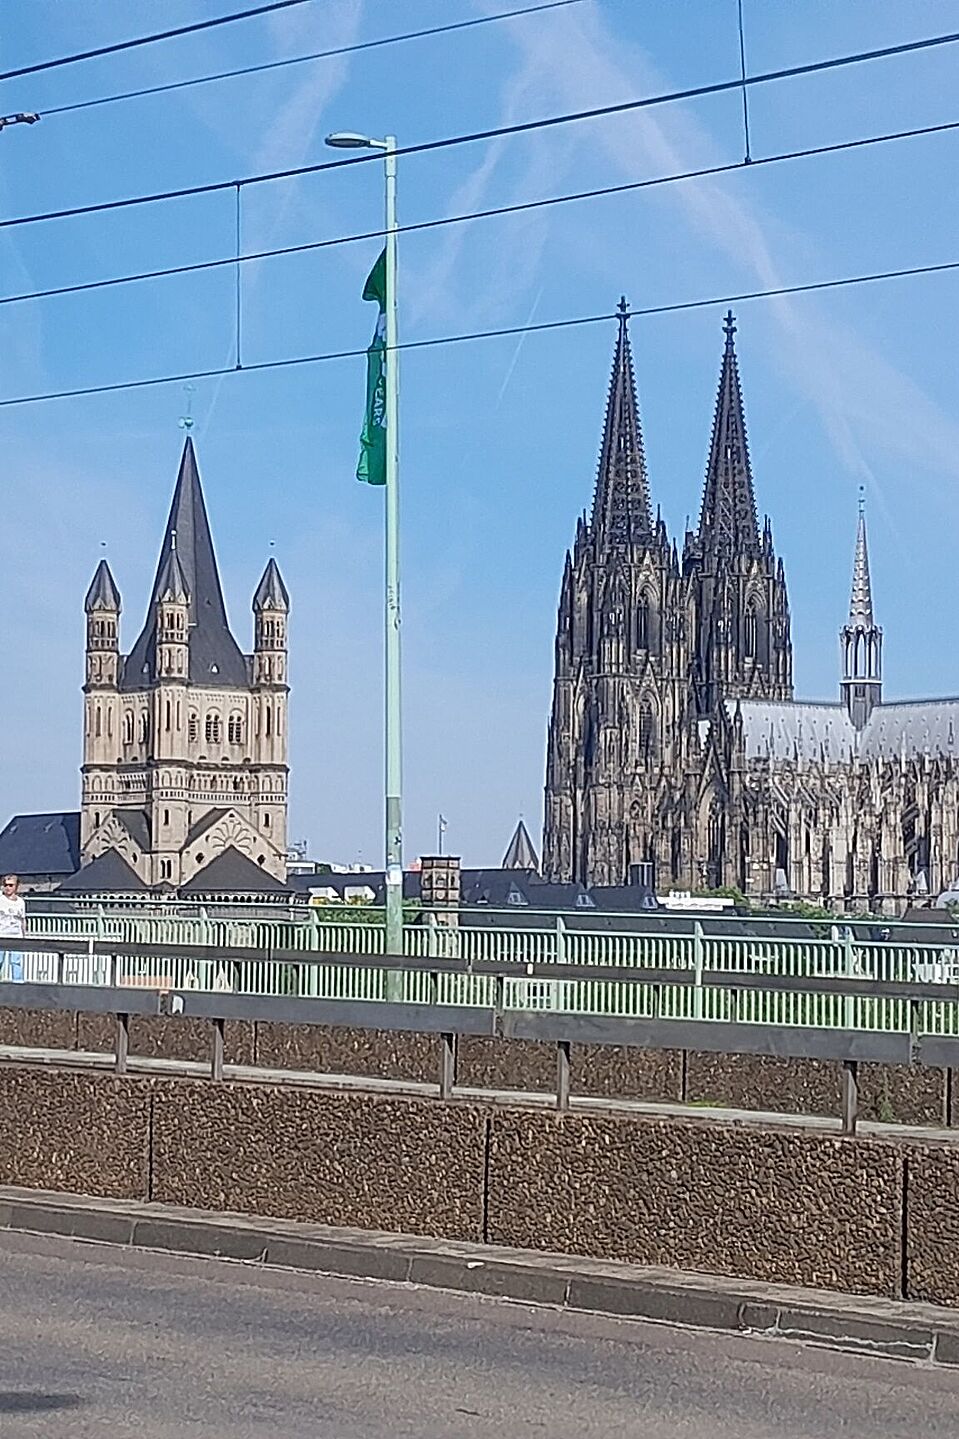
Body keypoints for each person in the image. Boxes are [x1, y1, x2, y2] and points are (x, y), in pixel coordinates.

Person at [0, 873, 26, 982]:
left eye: (11, 885)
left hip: (16, 936)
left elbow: (23, 919)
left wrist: (24, 935)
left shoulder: (20, 902)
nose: (8, 888)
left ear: (16, 887)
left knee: (16, 962)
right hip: (2, 935)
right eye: (6, 885)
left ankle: (18, 986)